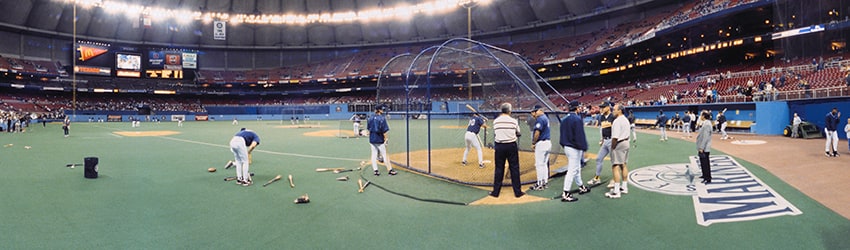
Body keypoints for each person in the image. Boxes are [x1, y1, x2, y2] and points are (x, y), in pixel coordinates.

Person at [489, 103, 524, 198]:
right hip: (511, 146)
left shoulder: (496, 121)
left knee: (499, 168)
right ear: (509, 111)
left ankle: (495, 192)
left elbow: (496, 133)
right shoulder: (513, 121)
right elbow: (518, 133)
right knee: (514, 168)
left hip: (499, 146)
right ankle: (518, 192)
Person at [559, 101, 590, 202]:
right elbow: (579, 136)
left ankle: (581, 186)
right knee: (572, 169)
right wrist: (584, 147)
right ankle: (566, 193)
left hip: (567, 147)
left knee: (576, 168)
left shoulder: (564, 119)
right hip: (574, 148)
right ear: (577, 108)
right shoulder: (577, 119)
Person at [605, 104, 631, 199]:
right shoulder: (626, 119)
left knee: (615, 166)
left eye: (614, 109)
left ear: (620, 110)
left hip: (619, 144)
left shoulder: (617, 121)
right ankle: (624, 187)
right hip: (626, 143)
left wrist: (612, 147)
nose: (613, 111)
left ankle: (616, 191)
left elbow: (615, 137)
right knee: (623, 164)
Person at [588, 102, 614, 186]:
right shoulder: (602, 117)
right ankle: (597, 178)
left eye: (603, 107)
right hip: (605, 141)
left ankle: (614, 180)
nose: (602, 109)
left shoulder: (613, 116)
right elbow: (602, 129)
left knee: (614, 161)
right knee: (599, 158)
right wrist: (602, 139)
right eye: (601, 107)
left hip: (612, 140)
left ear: (608, 107)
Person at [368, 105, 397, 176]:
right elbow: (384, 131)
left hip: (372, 139)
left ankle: (376, 171)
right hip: (379, 139)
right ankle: (390, 170)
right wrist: (386, 139)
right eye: (382, 109)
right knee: (385, 155)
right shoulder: (382, 118)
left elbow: (369, 129)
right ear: (379, 110)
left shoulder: (370, 118)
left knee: (374, 155)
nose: (383, 110)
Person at [529, 105, 551, 190]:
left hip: (541, 144)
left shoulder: (540, 119)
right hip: (548, 143)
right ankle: (544, 182)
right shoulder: (545, 117)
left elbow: (537, 132)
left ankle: (539, 184)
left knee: (539, 165)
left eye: (535, 111)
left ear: (539, 110)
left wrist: (533, 143)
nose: (534, 114)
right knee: (544, 164)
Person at [696, 111, 713, 184]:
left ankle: (707, 177)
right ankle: (704, 175)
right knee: (703, 162)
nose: (700, 116)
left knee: (705, 162)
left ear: (704, 116)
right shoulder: (705, 123)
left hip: (705, 147)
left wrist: (702, 147)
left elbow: (705, 137)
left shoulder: (707, 124)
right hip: (703, 147)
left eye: (701, 115)